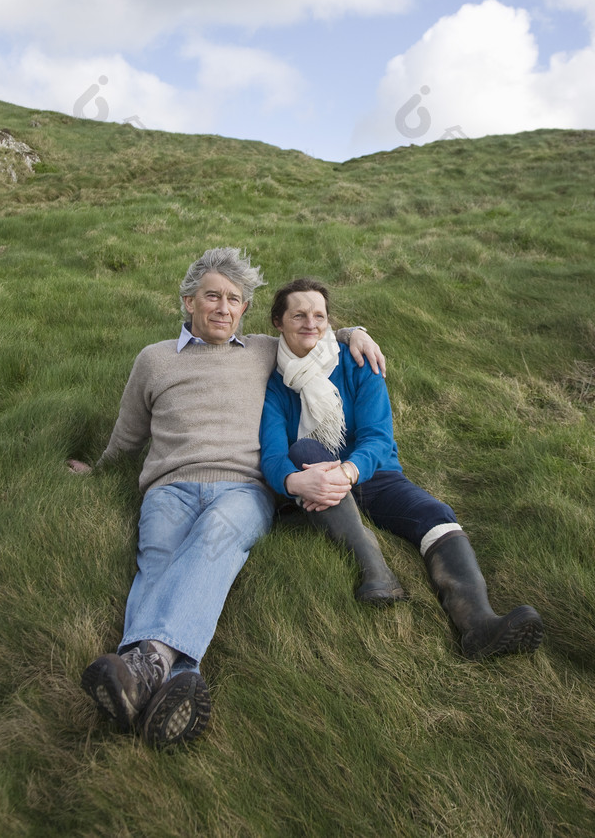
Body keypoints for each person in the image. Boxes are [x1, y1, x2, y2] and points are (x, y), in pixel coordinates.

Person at [71, 248, 387, 748]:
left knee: (214, 542)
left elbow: (313, 332)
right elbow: (128, 435)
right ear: (188, 301)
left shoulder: (262, 349)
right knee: (157, 563)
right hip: (168, 488)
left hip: (243, 489)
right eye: (212, 296)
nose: (223, 307)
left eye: (234, 299)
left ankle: (141, 663)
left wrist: (356, 332)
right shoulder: (153, 360)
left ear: (244, 310)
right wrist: (101, 469)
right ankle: (177, 682)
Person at [259, 278, 545, 659]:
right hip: (314, 480)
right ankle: (376, 572)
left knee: (435, 513)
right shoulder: (276, 383)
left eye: (319, 316)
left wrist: (347, 472)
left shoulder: (359, 362)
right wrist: (296, 480)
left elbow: (378, 439)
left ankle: (478, 625)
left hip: (372, 475)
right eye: (299, 315)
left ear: (329, 321)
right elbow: (274, 456)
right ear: (278, 322)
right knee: (305, 449)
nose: (310, 323)